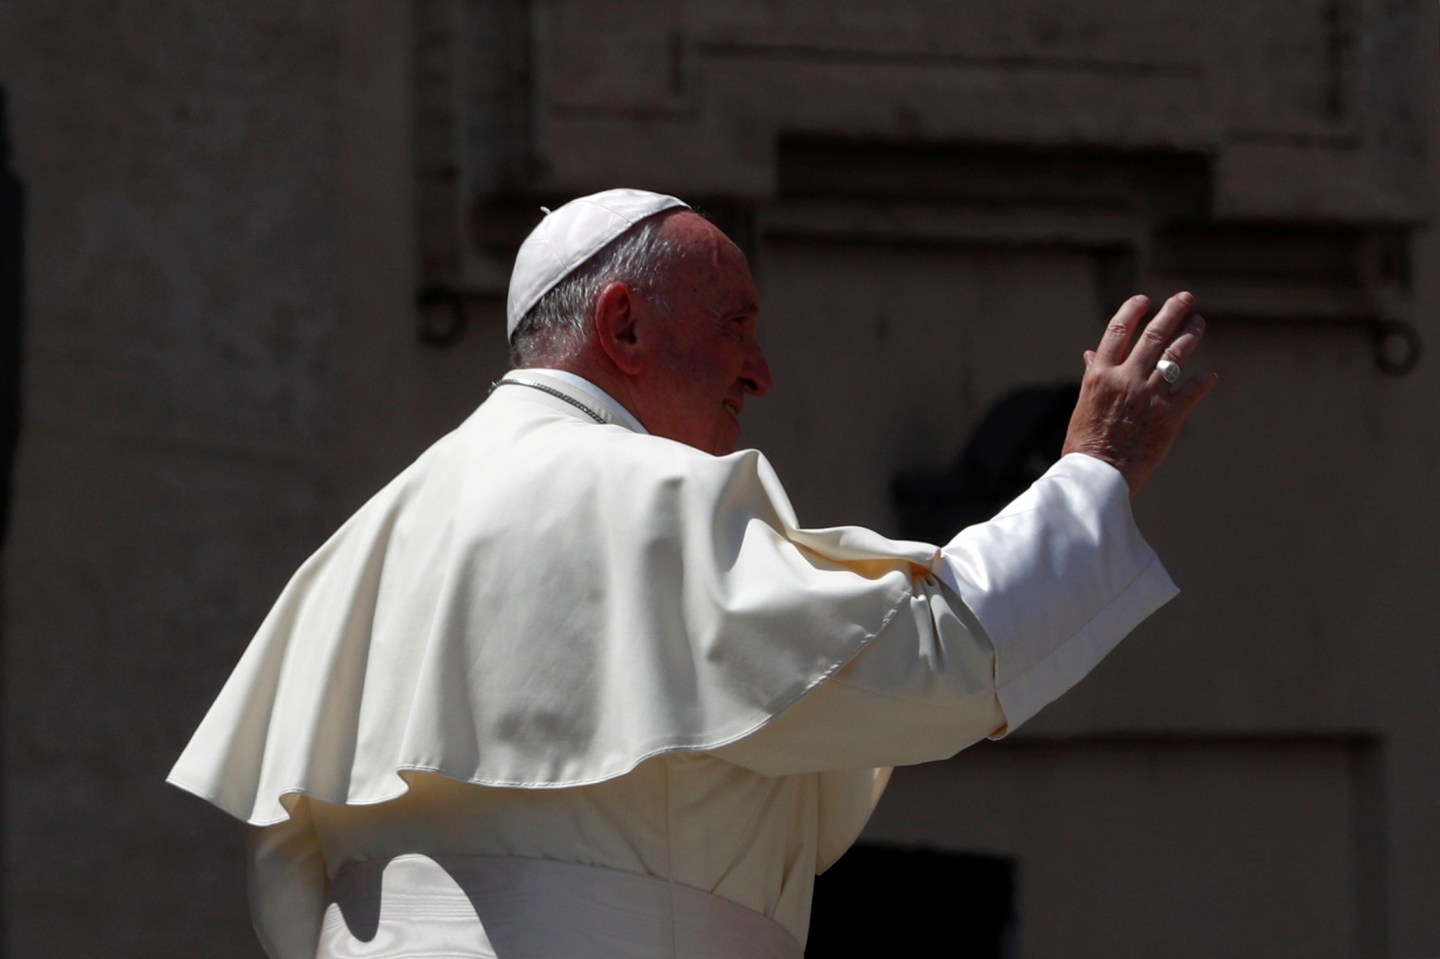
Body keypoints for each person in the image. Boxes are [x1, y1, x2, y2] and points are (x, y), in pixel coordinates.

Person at [169, 188, 1215, 958]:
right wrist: (1095, 470)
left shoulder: (371, 531)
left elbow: (288, 880)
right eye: (735, 329)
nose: (759, 371)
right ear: (624, 325)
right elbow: (930, 661)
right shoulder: (645, 494)